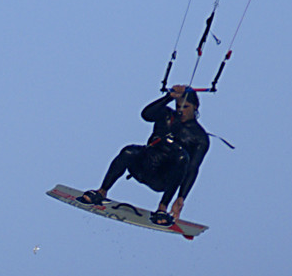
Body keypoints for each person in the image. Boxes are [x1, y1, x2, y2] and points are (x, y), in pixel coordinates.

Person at [78, 85, 209, 226]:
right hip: (144, 167)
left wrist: (181, 197)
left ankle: (162, 208)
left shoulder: (200, 137)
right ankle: (101, 192)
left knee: (182, 158)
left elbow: (192, 169)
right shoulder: (166, 115)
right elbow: (146, 115)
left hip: (162, 178)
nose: (180, 111)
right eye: (178, 107)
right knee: (128, 151)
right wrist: (168, 97)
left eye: (185, 107)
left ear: (195, 107)